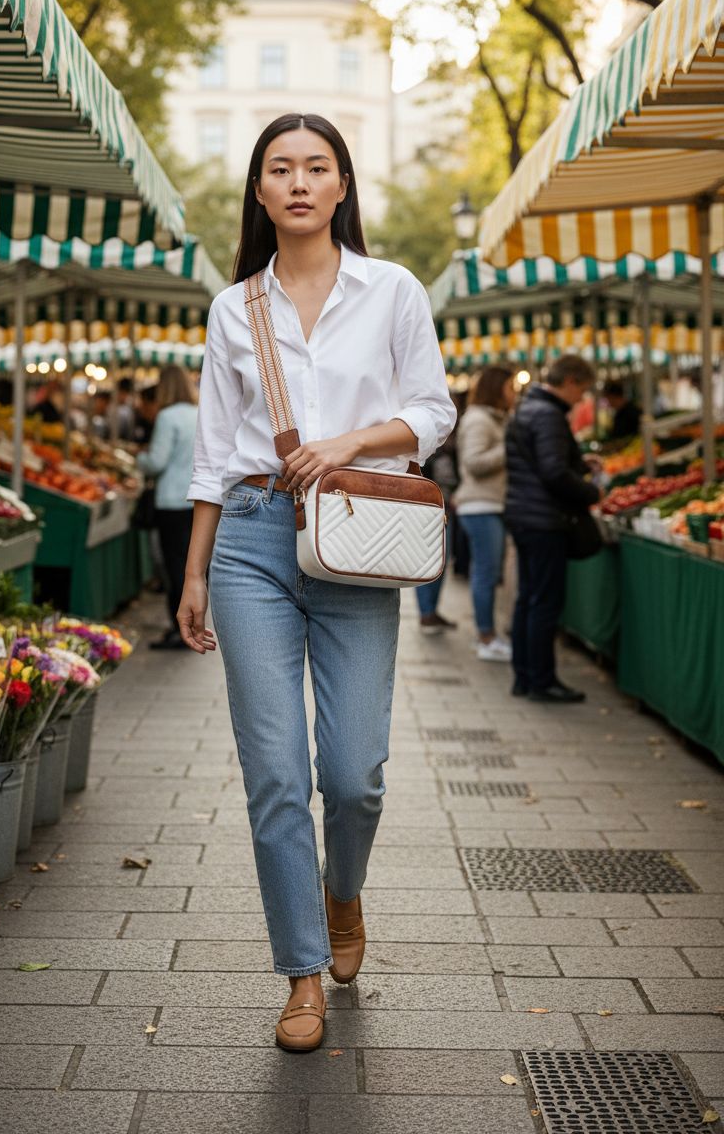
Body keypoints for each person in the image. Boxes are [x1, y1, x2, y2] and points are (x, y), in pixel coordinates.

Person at [177, 113, 455, 1052]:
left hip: (355, 537)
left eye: (318, 167)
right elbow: (215, 453)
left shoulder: (393, 291)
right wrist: (194, 573)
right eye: (279, 168)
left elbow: (433, 411)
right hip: (252, 541)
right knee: (274, 772)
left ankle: (344, 895)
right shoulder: (231, 308)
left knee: (355, 775)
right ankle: (300, 972)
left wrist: (348, 442)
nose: (299, 182)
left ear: (342, 187)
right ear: (258, 191)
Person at [505, 355, 601, 703]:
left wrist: (577, 462)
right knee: (544, 602)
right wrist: (591, 491)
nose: (583, 399)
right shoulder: (548, 415)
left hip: (523, 513)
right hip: (544, 520)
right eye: (584, 390)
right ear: (571, 381)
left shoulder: (527, 407)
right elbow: (553, 472)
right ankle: (542, 680)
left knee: (528, 599)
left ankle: (524, 676)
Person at [455, 365, 516, 661]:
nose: (514, 394)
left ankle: (487, 634)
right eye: (510, 388)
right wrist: (510, 446)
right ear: (496, 388)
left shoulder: (494, 418)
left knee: (487, 572)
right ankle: (486, 637)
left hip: (490, 505)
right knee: (486, 573)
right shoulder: (479, 420)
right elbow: (474, 463)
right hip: (480, 505)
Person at [137, 367, 198, 650]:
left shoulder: (166, 416)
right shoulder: (200, 413)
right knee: (192, 564)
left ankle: (179, 627)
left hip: (171, 500)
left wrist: (141, 460)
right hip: (197, 498)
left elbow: (157, 461)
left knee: (174, 567)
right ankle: (192, 624)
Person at [415, 441, 458, 633]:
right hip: (430, 509)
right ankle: (427, 614)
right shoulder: (435, 451)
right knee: (429, 562)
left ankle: (431, 612)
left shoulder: (443, 451)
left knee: (439, 562)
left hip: (439, 509)